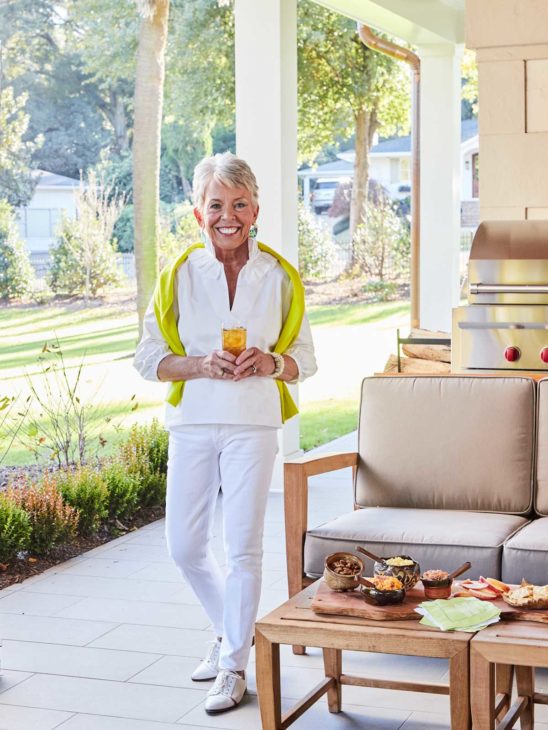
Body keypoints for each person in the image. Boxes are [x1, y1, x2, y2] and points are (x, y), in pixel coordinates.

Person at [133, 152, 317, 715]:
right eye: (217, 205)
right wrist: (198, 365)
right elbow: (148, 360)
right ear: (198, 212)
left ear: (255, 209)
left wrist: (272, 363)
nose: (228, 215)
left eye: (239, 204)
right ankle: (230, 631)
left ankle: (234, 664)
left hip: (254, 424)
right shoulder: (179, 275)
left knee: (242, 546)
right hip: (192, 422)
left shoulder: (279, 275)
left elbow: (304, 360)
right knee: (184, 546)